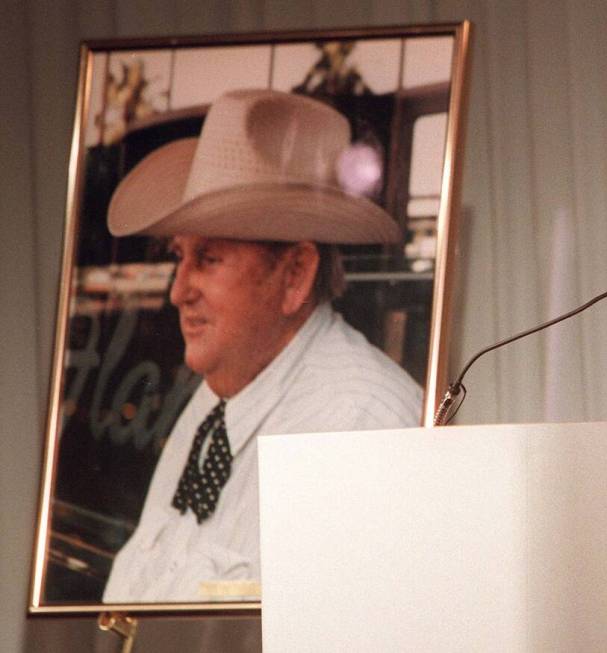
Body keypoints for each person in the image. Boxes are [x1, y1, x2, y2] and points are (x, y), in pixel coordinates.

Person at [102, 89, 423, 603]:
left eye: (207, 259)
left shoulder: (357, 428)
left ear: (295, 274)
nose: (177, 290)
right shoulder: (219, 398)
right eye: (179, 257)